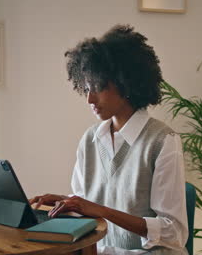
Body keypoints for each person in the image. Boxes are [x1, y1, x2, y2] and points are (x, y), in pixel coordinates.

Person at [29, 24, 188, 255]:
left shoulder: (162, 141)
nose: (89, 99)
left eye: (98, 87)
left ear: (126, 83)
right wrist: (66, 202)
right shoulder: (90, 139)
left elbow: (174, 233)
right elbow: (88, 208)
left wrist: (100, 210)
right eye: (86, 88)